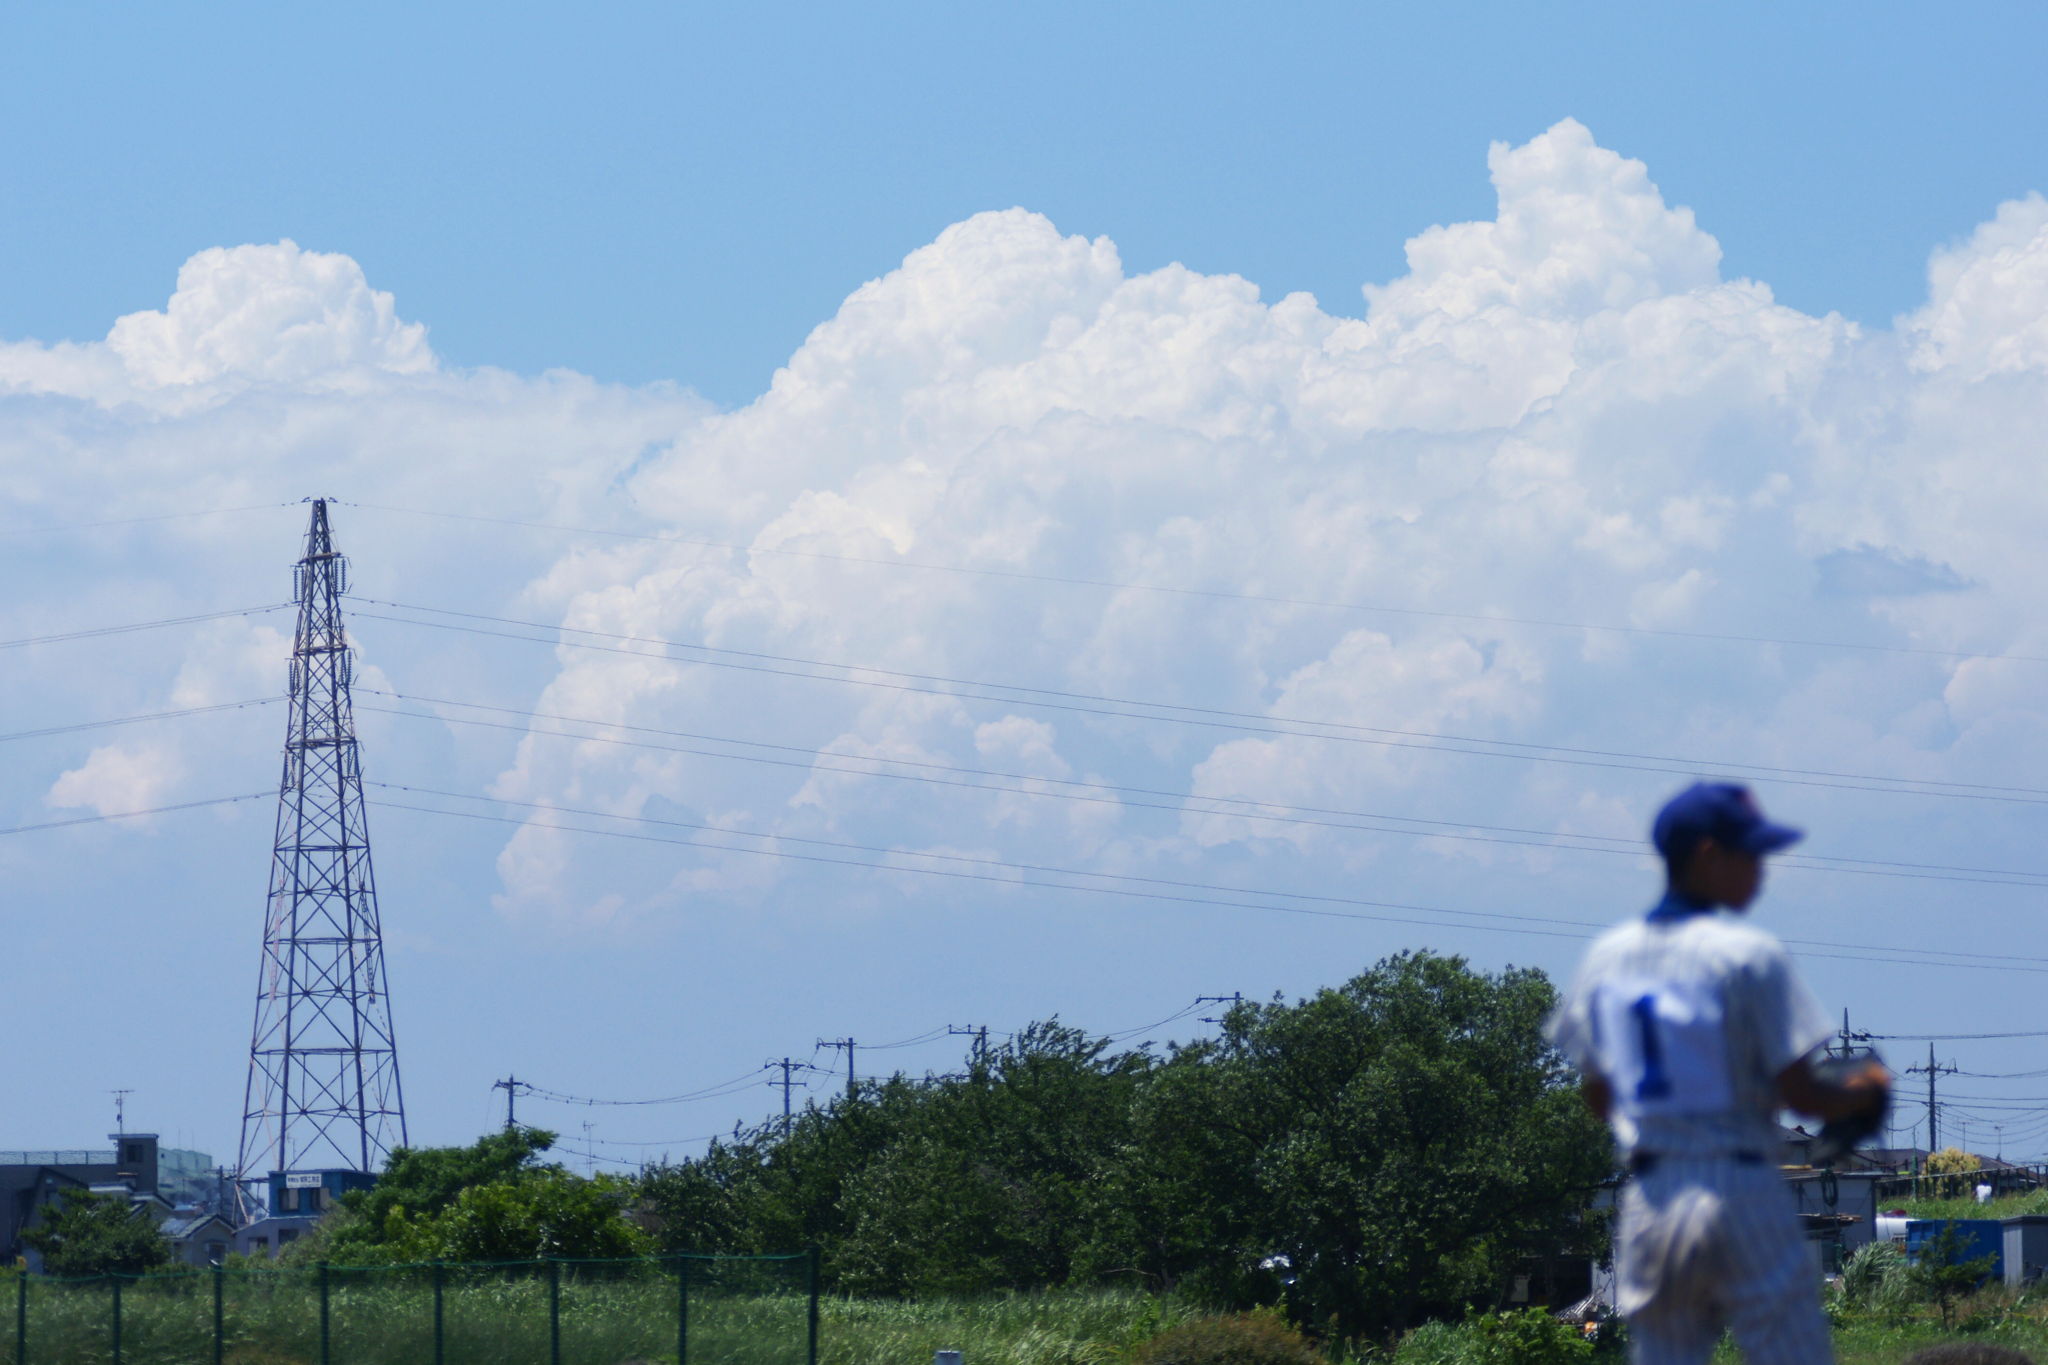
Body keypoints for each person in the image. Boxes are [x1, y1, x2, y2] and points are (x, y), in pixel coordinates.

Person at [1547, 782, 1890, 1364]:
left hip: (1654, 1192)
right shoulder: (1748, 956)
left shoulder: (1608, 957)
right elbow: (1801, 1094)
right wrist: (1865, 1090)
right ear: (1708, 855)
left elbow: (1599, 1093)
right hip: (1737, 1185)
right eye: (1750, 853)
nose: (1761, 869)